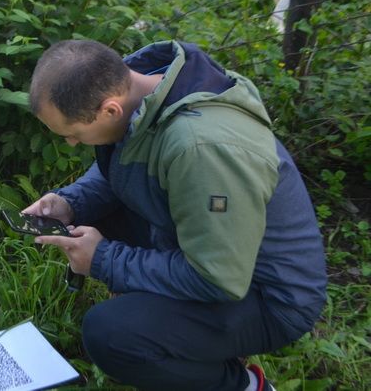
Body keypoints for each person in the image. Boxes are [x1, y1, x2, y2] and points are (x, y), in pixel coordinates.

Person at [23, 39, 326, 391]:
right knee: (99, 213)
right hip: (221, 254)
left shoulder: (201, 150)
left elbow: (217, 278)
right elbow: (124, 167)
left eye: (74, 134)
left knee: (111, 335)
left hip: (268, 296)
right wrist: (70, 202)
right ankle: (177, 329)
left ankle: (242, 385)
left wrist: (104, 259)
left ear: (110, 110)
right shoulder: (145, 89)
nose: (72, 143)